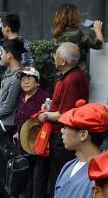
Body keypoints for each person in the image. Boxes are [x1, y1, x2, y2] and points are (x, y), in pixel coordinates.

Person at [38, 43, 89, 186]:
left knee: (60, 173)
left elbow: (65, 114)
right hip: (59, 133)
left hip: (63, 134)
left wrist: (46, 115)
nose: (54, 57)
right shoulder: (70, 76)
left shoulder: (72, 79)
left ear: (62, 61)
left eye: (56, 55)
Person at [14, 67, 53, 198]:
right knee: (27, 174)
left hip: (38, 142)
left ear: (37, 82)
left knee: (39, 175)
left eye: (29, 78)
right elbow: (20, 117)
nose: (25, 81)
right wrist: (17, 131)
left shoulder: (44, 97)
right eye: (23, 78)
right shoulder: (22, 97)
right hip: (23, 142)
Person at [51, 3, 104, 74]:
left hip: (61, 76)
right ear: (75, 17)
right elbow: (99, 45)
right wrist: (97, 29)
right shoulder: (80, 34)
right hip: (78, 75)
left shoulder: (56, 35)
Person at [0, 38, 24, 134]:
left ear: (9, 55)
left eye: (2, 54)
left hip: (9, 125)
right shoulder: (9, 73)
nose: (1, 57)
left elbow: (8, 107)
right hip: (3, 122)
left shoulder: (17, 77)